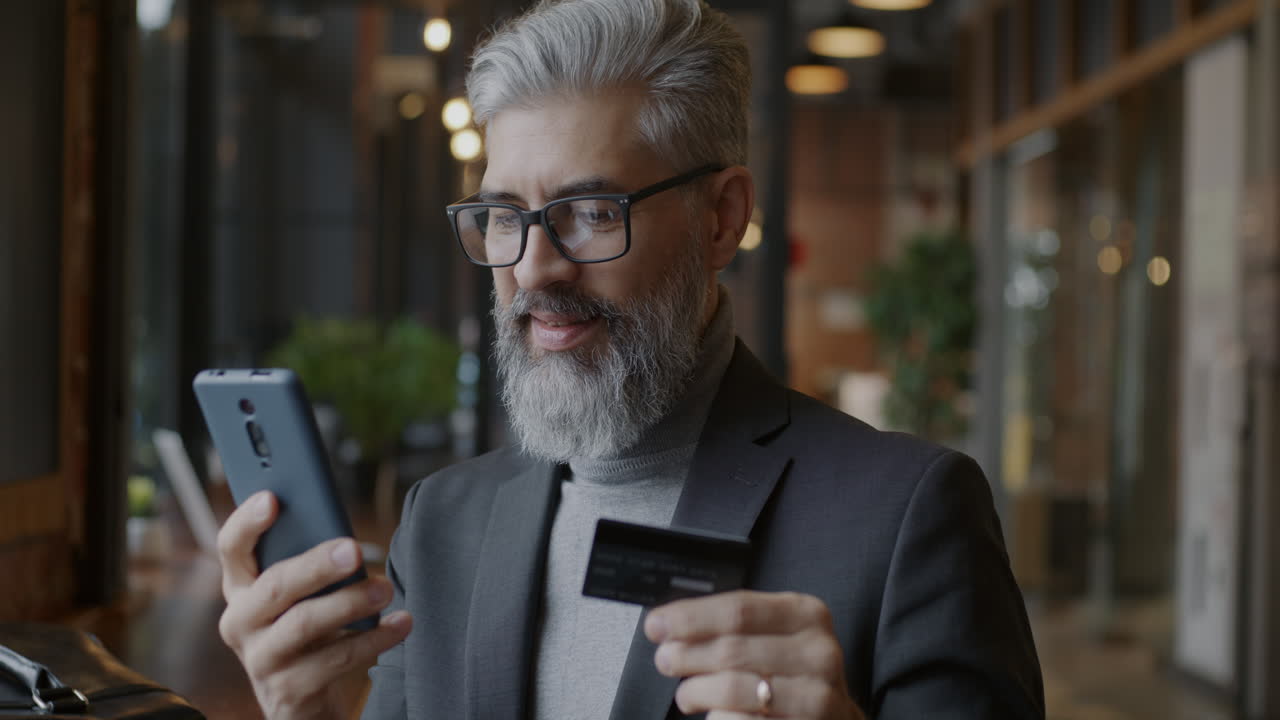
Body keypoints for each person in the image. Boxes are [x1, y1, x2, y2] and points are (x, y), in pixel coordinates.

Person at [215, 1, 1045, 718]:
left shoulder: (905, 520)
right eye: (505, 216)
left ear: (722, 219)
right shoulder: (443, 523)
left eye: (589, 211)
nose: (535, 268)